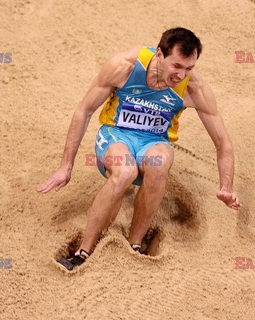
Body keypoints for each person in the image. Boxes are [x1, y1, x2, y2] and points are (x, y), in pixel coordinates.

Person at [36, 27, 241, 271]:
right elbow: (84, 111)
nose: (182, 75)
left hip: (153, 142)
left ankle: (134, 244)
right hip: (116, 135)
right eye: (177, 66)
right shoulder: (124, 67)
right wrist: (65, 166)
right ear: (158, 55)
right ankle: (84, 250)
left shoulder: (193, 88)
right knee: (124, 172)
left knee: (160, 163)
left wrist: (226, 187)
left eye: (189, 68)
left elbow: (223, 143)